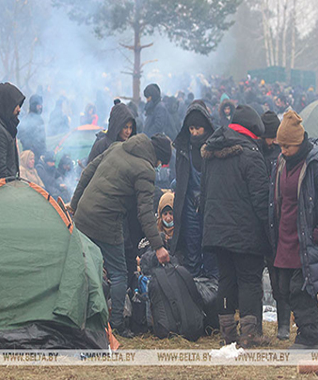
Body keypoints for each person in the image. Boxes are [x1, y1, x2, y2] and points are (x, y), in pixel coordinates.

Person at [70, 133, 172, 337]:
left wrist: (74, 205)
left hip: (83, 215)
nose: (158, 166)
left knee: (85, 267)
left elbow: (88, 172)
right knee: (119, 274)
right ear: (158, 157)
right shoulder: (145, 170)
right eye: (160, 163)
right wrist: (159, 247)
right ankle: (116, 322)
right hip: (107, 221)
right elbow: (145, 212)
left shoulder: (118, 147)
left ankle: (79, 316)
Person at [269, 111, 318, 349]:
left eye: (287, 146)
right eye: (281, 146)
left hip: (307, 239)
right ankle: (316, 321)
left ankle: (309, 337)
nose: (283, 151)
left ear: (299, 144)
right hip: (284, 236)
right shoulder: (281, 163)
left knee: (299, 290)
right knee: (283, 289)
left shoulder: (315, 165)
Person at [201, 105, 270, 348]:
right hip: (245, 232)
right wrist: (270, 232)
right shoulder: (251, 154)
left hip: (217, 231)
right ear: (253, 131)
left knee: (226, 279)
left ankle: (227, 334)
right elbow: (262, 199)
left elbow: (205, 192)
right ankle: (249, 335)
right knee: (250, 280)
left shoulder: (212, 151)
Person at [170, 101, 217, 278]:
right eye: (191, 129)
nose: (195, 133)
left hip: (210, 205)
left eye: (198, 128)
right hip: (189, 205)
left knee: (211, 251)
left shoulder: (214, 149)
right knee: (191, 250)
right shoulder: (184, 149)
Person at [258, 110, 290, 340]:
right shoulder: (256, 154)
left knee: (282, 278)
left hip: (279, 223)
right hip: (262, 223)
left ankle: (284, 325)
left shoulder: (283, 156)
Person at [17, 95, 46, 161]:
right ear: (34, 105)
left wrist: (43, 152)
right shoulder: (26, 119)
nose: (40, 107)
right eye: (38, 105)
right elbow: (21, 136)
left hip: (39, 154)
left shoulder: (40, 120)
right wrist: (31, 148)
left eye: (41, 105)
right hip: (30, 155)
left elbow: (42, 139)